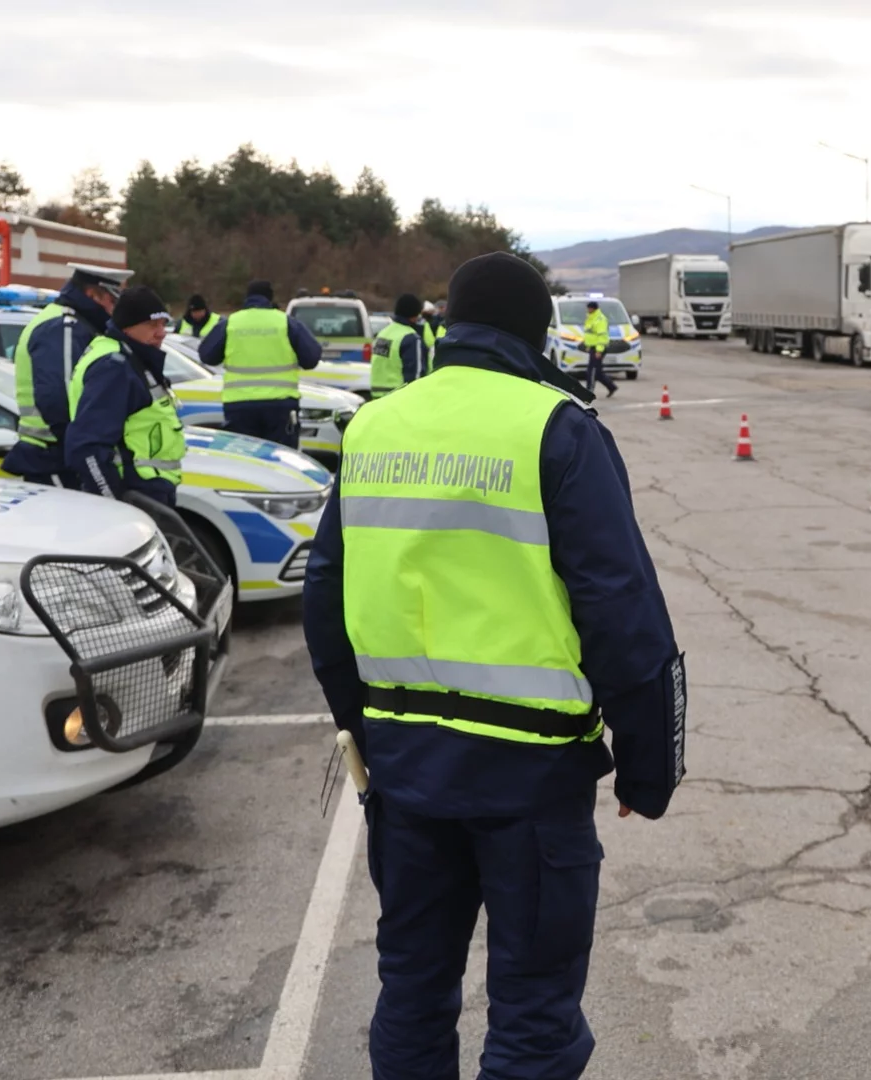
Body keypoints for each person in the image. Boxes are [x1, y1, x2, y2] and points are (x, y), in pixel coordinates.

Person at [302, 252, 686, 1079]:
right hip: (530, 782)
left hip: (405, 774)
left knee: (410, 988)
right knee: (534, 1009)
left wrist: (357, 723)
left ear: (450, 324)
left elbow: (323, 596)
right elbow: (624, 614)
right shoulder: (556, 427)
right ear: (538, 330)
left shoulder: (374, 425)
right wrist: (648, 769)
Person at [1, 263, 128, 486]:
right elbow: (60, 400)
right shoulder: (64, 327)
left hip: (58, 456)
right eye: (112, 300)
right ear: (93, 294)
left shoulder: (77, 323)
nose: (114, 308)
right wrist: (84, 454)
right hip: (53, 459)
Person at [64, 286, 185, 508]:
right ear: (127, 328)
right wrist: (114, 504)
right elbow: (86, 446)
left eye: (163, 323)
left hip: (147, 491)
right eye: (151, 325)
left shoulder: (130, 357)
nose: (161, 332)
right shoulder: (114, 367)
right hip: (133, 496)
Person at [197, 279, 322, 447]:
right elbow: (311, 358)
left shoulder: (231, 323)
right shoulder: (286, 323)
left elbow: (207, 355)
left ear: (247, 298)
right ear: (270, 299)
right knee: (282, 459)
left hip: (240, 406)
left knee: (245, 463)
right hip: (280, 406)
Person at [370, 293, 427, 395]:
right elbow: (415, 375)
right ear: (415, 314)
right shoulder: (411, 337)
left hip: (376, 395)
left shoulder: (383, 333)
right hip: (398, 396)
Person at [580, 300, 616, 398]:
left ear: (593, 308)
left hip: (598, 348)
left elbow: (602, 336)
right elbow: (590, 334)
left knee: (591, 370)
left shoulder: (600, 319)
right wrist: (588, 345)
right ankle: (611, 387)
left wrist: (599, 350)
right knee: (598, 372)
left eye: (589, 308)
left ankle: (589, 391)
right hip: (593, 347)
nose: (588, 310)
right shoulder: (591, 318)